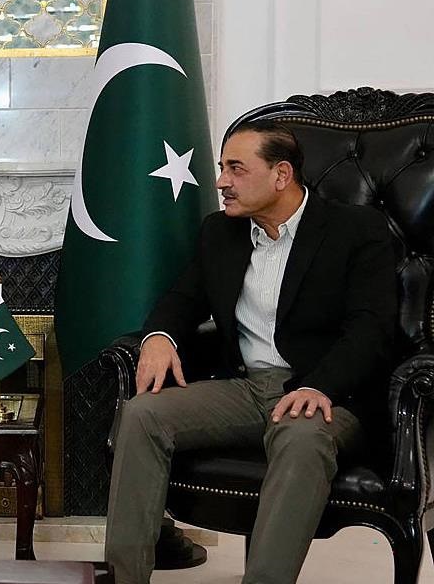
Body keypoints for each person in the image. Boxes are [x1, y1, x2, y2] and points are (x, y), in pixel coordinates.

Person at [104, 121, 397, 584]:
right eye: (222, 168)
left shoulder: (355, 229)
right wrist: (158, 337)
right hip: (245, 387)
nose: (222, 181)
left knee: (301, 437)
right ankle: (123, 579)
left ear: (281, 175)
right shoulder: (220, 232)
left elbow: (371, 327)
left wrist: (319, 386)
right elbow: (181, 299)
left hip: (328, 392)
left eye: (236, 169)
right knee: (142, 415)